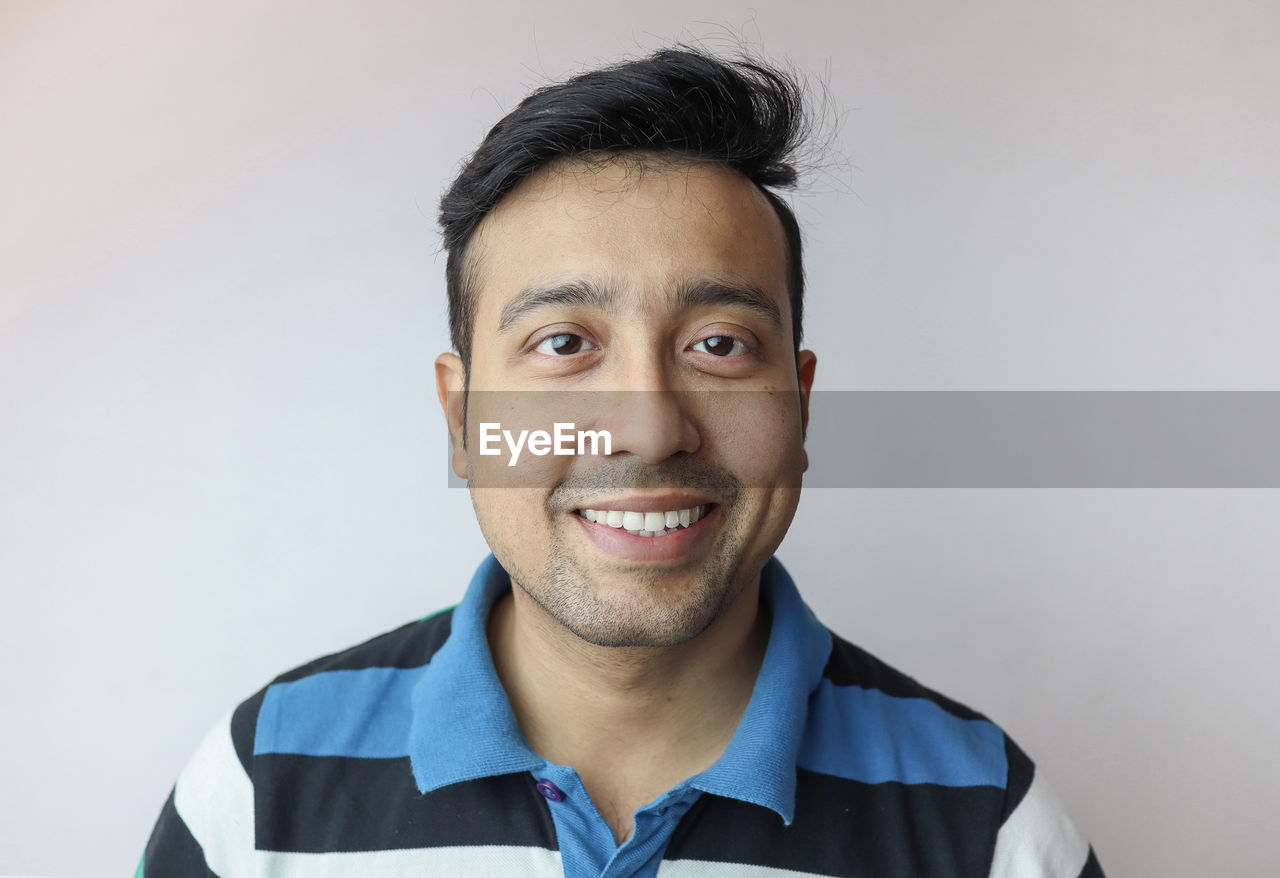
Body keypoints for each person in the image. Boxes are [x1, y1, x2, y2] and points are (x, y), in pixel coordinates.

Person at [139, 46, 1105, 877]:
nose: (648, 429)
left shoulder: (993, 827)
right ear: (462, 413)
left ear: (800, 404)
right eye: (565, 344)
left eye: (720, 345)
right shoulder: (258, 790)